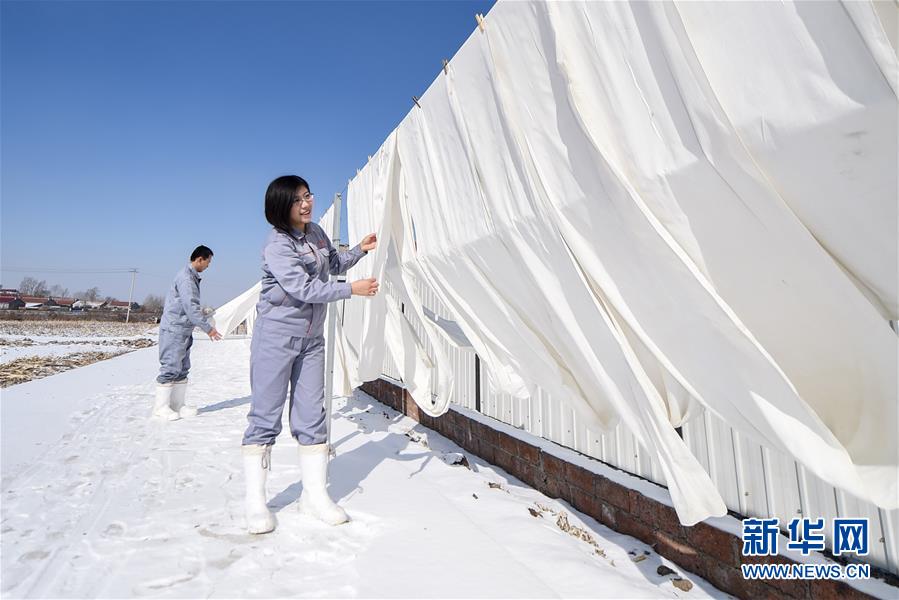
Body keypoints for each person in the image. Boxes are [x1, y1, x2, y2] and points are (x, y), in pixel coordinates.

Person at [242, 175, 377, 534]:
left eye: (308, 195)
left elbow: (334, 263)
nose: (307, 203)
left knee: (312, 415)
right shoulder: (277, 244)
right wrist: (351, 290)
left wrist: (360, 250)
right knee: (265, 416)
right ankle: (255, 502)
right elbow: (304, 288)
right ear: (281, 206)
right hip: (275, 338)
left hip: (311, 340)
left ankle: (314, 497)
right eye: (298, 199)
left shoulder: (316, 232)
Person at [153, 245, 222, 420]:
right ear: (199, 259)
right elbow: (190, 307)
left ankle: (177, 405)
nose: (208, 266)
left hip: (184, 329)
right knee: (170, 366)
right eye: (208, 262)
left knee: (183, 368)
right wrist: (209, 329)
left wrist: (204, 313)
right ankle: (161, 408)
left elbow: (190, 306)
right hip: (174, 329)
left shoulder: (192, 277)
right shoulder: (186, 279)